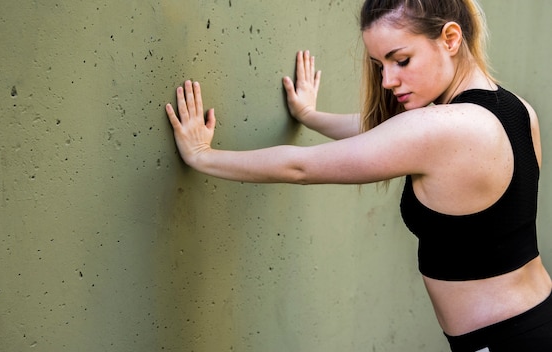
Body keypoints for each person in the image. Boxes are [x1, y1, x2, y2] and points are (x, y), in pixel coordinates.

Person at [165, 0, 552, 350]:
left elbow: (301, 167)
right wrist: (310, 116)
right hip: (534, 320)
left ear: (450, 38)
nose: (387, 81)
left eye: (401, 60)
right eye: (379, 65)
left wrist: (204, 156)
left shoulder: (446, 128)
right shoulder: (516, 110)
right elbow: (386, 134)